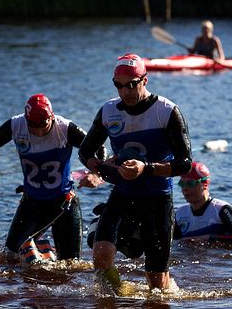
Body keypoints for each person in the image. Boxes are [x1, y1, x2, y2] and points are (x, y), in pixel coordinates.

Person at [79, 53, 193, 292]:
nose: (126, 92)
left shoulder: (166, 111)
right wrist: (103, 169)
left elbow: (185, 164)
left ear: (145, 80)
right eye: (119, 86)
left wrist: (146, 168)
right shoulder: (109, 111)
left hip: (157, 198)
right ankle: (120, 295)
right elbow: (85, 151)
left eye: (132, 85)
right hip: (123, 194)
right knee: (100, 256)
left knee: (157, 285)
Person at [0, 93, 104, 262]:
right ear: (26, 120)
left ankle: (45, 256)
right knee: (8, 257)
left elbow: (98, 149)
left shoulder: (64, 128)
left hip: (64, 204)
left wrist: (95, 173)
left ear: (52, 117)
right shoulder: (17, 125)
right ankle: (42, 255)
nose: (39, 130)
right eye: (32, 125)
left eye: (43, 124)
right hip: (32, 203)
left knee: (71, 264)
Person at [174, 162, 232, 243]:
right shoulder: (180, 213)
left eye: (190, 183)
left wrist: (210, 238)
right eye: (182, 184)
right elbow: (174, 241)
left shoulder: (222, 209)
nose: (185, 188)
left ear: (205, 184)